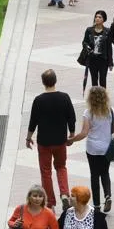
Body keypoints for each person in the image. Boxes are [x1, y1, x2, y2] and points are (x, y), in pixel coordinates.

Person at [26, 69, 77, 204]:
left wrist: (28, 138)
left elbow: (33, 122)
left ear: (43, 83)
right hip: (60, 141)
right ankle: (64, 194)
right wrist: (72, 134)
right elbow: (71, 117)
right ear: (55, 81)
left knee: (46, 171)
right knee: (61, 167)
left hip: (44, 142)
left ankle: (50, 201)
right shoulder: (64, 97)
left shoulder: (38, 100)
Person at [69, 86, 114, 213]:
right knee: (105, 173)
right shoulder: (110, 111)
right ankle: (108, 196)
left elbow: (84, 133)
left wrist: (72, 139)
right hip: (106, 148)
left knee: (94, 175)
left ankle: (97, 205)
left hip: (92, 149)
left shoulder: (88, 113)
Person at [79, 11, 114, 93]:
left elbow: (109, 47)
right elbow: (84, 42)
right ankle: (94, 99)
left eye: (100, 17)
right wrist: (87, 46)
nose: (97, 18)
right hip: (92, 60)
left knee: (103, 81)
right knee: (94, 81)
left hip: (103, 60)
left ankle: (103, 99)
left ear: (103, 19)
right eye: (96, 17)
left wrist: (110, 62)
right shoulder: (89, 30)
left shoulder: (107, 31)